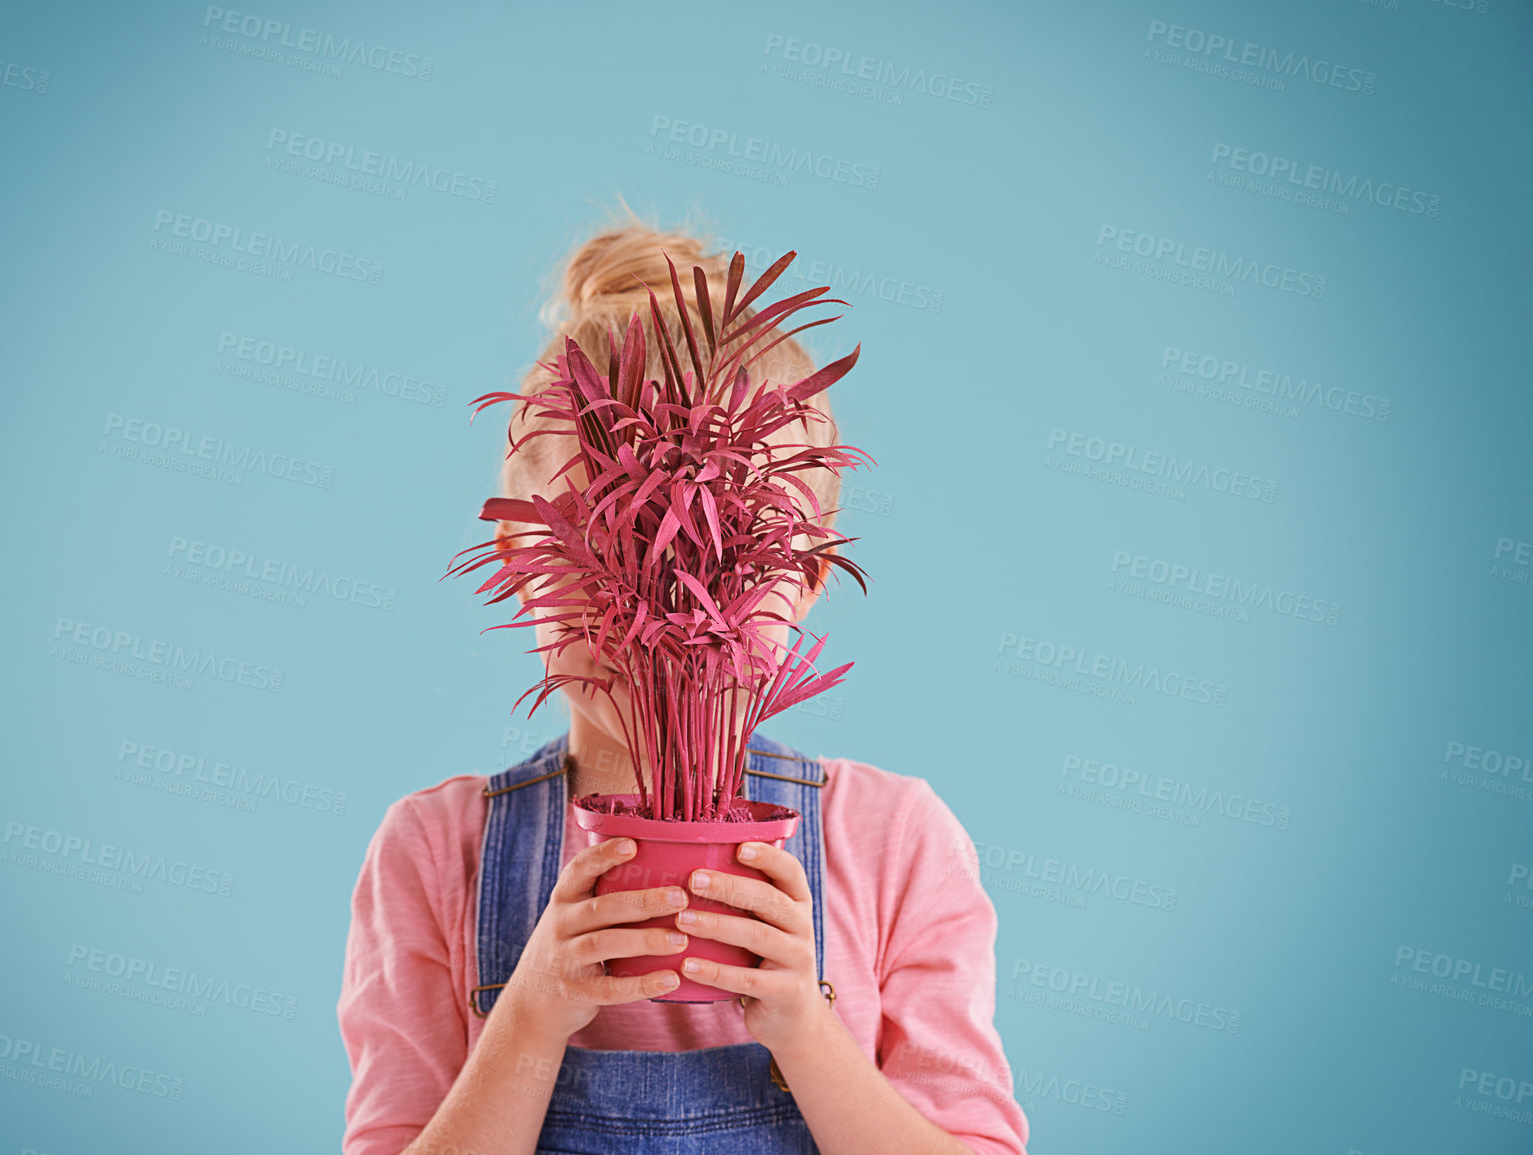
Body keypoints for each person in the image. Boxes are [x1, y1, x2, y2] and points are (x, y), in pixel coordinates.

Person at [337, 209, 1030, 1155]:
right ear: (516, 551)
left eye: (737, 549)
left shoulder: (894, 842)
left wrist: (802, 1025)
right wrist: (531, 1015)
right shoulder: (435, 850)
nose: (674, 594)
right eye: (610, 536)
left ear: (809, 573)